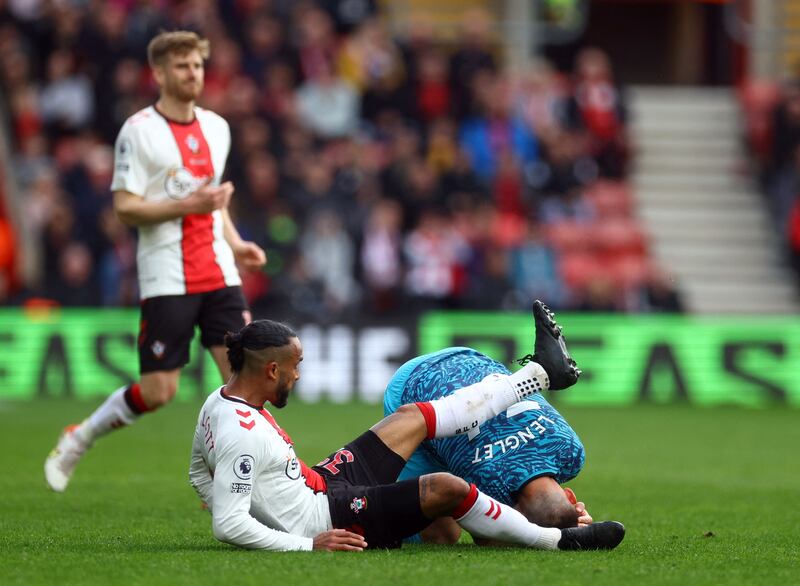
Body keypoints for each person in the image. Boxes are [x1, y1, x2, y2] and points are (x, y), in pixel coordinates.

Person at [188, 303, 625, 551]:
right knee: (446, 488)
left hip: (322, 482)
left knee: (412, 416)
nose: (297, 376)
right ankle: (558, 542)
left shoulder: (218, 403)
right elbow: (228, 526)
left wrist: (231, 494)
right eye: (294, 367)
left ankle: (537, 377)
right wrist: (308, 544)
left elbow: (196, 472)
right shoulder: (240, 432)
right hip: (326, 515)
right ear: (269, 370)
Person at [44, 31, 267, 492]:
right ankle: (80, 435)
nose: (193, 74)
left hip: (219, 271)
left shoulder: (217, 127)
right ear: (160, 73)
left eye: (198, 65)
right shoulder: (139, 131)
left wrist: (237, 241)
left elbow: (213, 201)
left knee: (243, 380)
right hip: (167, 275)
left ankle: (229, 481)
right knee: (159, 391)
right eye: (183, 66)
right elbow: (125, 207)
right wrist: (190, 207)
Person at [383, 306, 591, 544]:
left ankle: (537, 375)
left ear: (570, 496)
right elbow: (488, 535)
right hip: (412, 387)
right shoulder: (490, 482)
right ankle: (360, 514)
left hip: (473, 363)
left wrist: (565, 515)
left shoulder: (571, 451)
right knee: (441, 535)